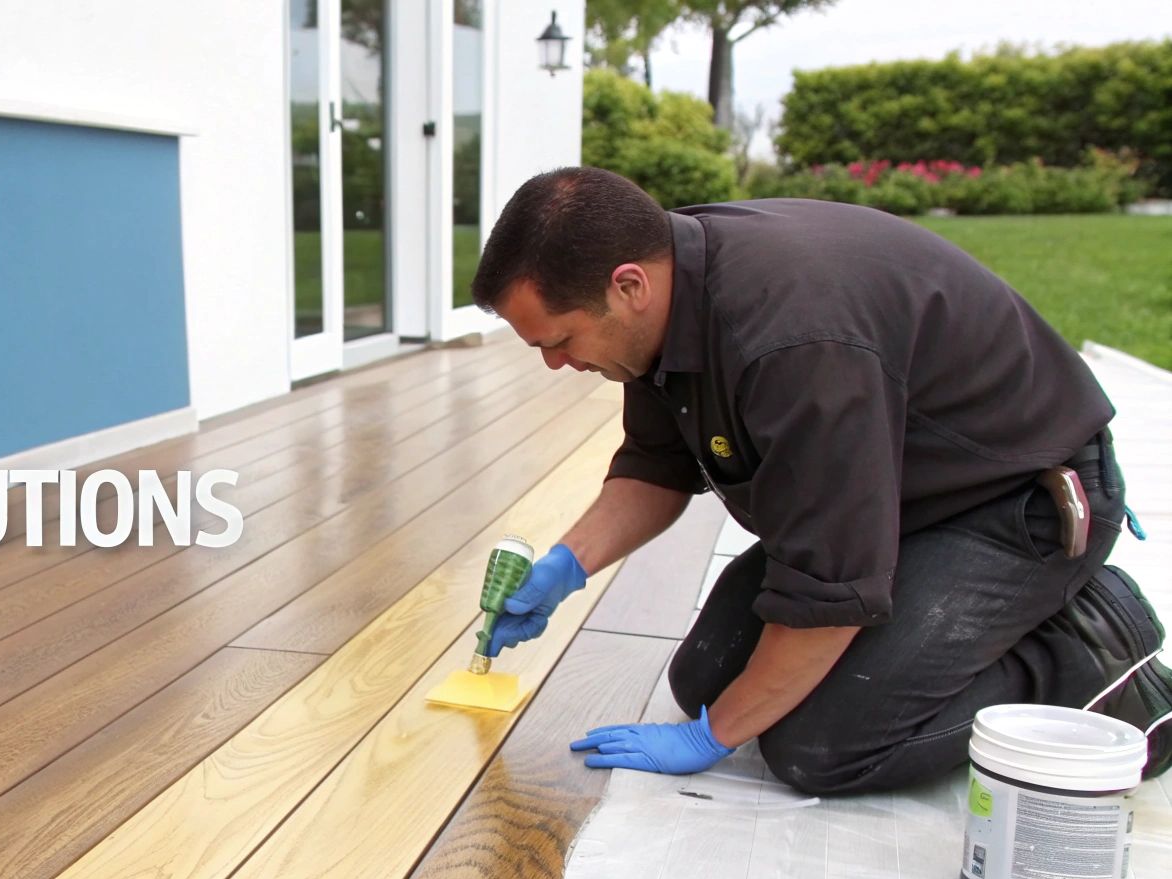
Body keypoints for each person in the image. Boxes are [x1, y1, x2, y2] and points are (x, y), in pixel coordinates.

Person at [475, 167, 1169, 793]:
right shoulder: (666, 296)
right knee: (704, 678)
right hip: (899, 503)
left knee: (822, 746)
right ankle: (955, 623)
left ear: (629, 285)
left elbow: (829, 590)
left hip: (1014, 504)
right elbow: (658, 467)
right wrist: (567, 566)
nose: (556, 365)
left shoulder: (791, 341)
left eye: (560, 342)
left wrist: (712, 738)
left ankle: (1084, 649)